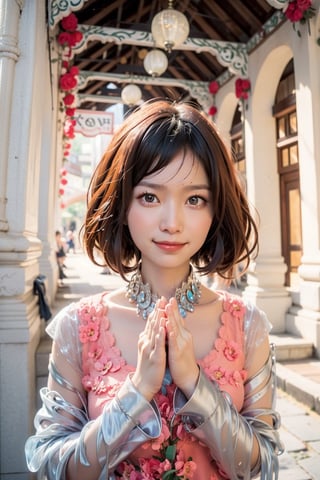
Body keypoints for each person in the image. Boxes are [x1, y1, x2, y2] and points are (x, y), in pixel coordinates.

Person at [25, 100, 283, 480]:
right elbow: (54, 466)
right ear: (123, 202)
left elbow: (260, 464)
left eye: (195, 199)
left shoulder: (248, 326)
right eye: (150, 196)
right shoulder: (77, 327)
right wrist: (137, 391)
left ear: (215, 211)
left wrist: (195, 384)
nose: (172, 222)